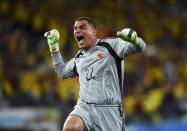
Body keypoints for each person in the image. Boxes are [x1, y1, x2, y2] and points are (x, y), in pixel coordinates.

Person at [44, 17, 146, 131]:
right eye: (75, 28)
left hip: (109, 111)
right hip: (84, 107)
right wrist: (54, 49)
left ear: (93, 32)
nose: (77, 31)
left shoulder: (111, 46)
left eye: (82, 27)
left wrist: (135, 40)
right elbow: (62, 72)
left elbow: (141, 47)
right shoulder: (79, 57)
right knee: (71, 126)